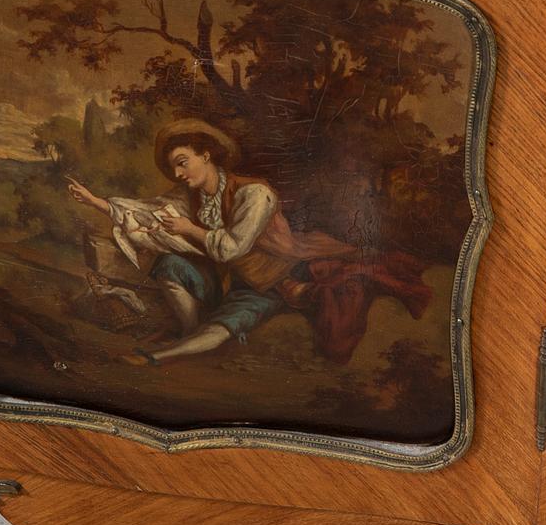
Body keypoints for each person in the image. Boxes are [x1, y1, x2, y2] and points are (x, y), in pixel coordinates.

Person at [67, 117, 429, 366]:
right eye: (174, 168)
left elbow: (234, 247)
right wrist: (96, 202)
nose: (178, 174)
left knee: (224, 324)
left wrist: (189, 230)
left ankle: (158, 357)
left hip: (272, 279)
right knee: (167, 265)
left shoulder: (254, 194)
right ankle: (188, 336)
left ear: (205, 155)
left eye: (183, 162)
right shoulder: (190, 198)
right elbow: (147, 211)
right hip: (231, 277)